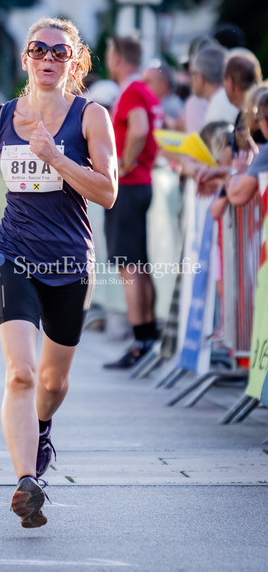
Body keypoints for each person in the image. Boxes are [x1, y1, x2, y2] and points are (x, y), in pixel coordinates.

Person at [0, 17, 117, 528]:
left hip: (68, 262)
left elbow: (107, 192)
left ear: (73, 62)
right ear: (25, 59)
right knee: (20, 372)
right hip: (12, 254)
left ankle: (42, 426)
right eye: (39, 49)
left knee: (52, 382)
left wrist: (55, 157)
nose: (48, 58)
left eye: (60, 52)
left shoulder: (91, 117)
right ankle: (27, 482)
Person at [103, 36, 164, 369]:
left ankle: (141, 342)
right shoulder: (146, 90)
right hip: (140, 183)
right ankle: (147, 337)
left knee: (129, 267)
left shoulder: (132, 92)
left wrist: (125, 163)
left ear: (117, 58)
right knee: (138, 265)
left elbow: (139, 129)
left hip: (129, 184)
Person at [190, 46, 238, 127]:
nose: (191, 79)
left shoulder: (217, 107)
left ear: (200, 77)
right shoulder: (224, 99)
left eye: (192, 74)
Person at [142, 60, 185, 131]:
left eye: (147, 82)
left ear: (163, 84)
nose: (142, 86)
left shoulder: (170, 107)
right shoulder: (174, 103)